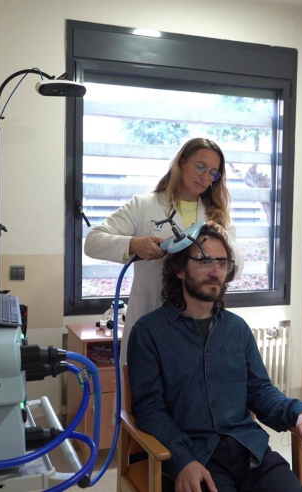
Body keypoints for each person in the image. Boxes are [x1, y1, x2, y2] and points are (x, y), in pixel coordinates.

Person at [127, 226, 302, 492]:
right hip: (197, 456)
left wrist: (300, 414)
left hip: (250, 452)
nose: (216, 272)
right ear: (179, 269)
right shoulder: (148, 333)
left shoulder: (237, 329)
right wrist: (182, 460)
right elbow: (149, 411)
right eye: (205, 261)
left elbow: (260, 391)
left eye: (222, 263)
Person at [84, 138, 245, 399]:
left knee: (191, 399)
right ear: (181, 163)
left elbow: (236, 269)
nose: (205, 177)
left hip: (199, 322)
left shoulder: (218, 216)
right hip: (150, 314)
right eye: (200, 167)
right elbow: (93, 242)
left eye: (213, 173)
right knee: (144, 401)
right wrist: (134, 244)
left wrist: (224, 240)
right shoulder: (143, 205)